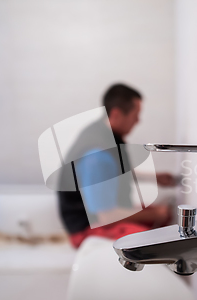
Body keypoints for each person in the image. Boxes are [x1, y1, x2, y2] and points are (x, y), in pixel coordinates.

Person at [57, 83, 176, 248]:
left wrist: (153, 178)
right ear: (117, 114)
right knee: (153, 240)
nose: (138, 121)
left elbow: (110, 172)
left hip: (100, 215)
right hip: (87, 229)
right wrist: (156, 213)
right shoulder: (97, 154)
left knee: (163, 216)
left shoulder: (102, 132)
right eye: (136, 115)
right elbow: (106, 216)